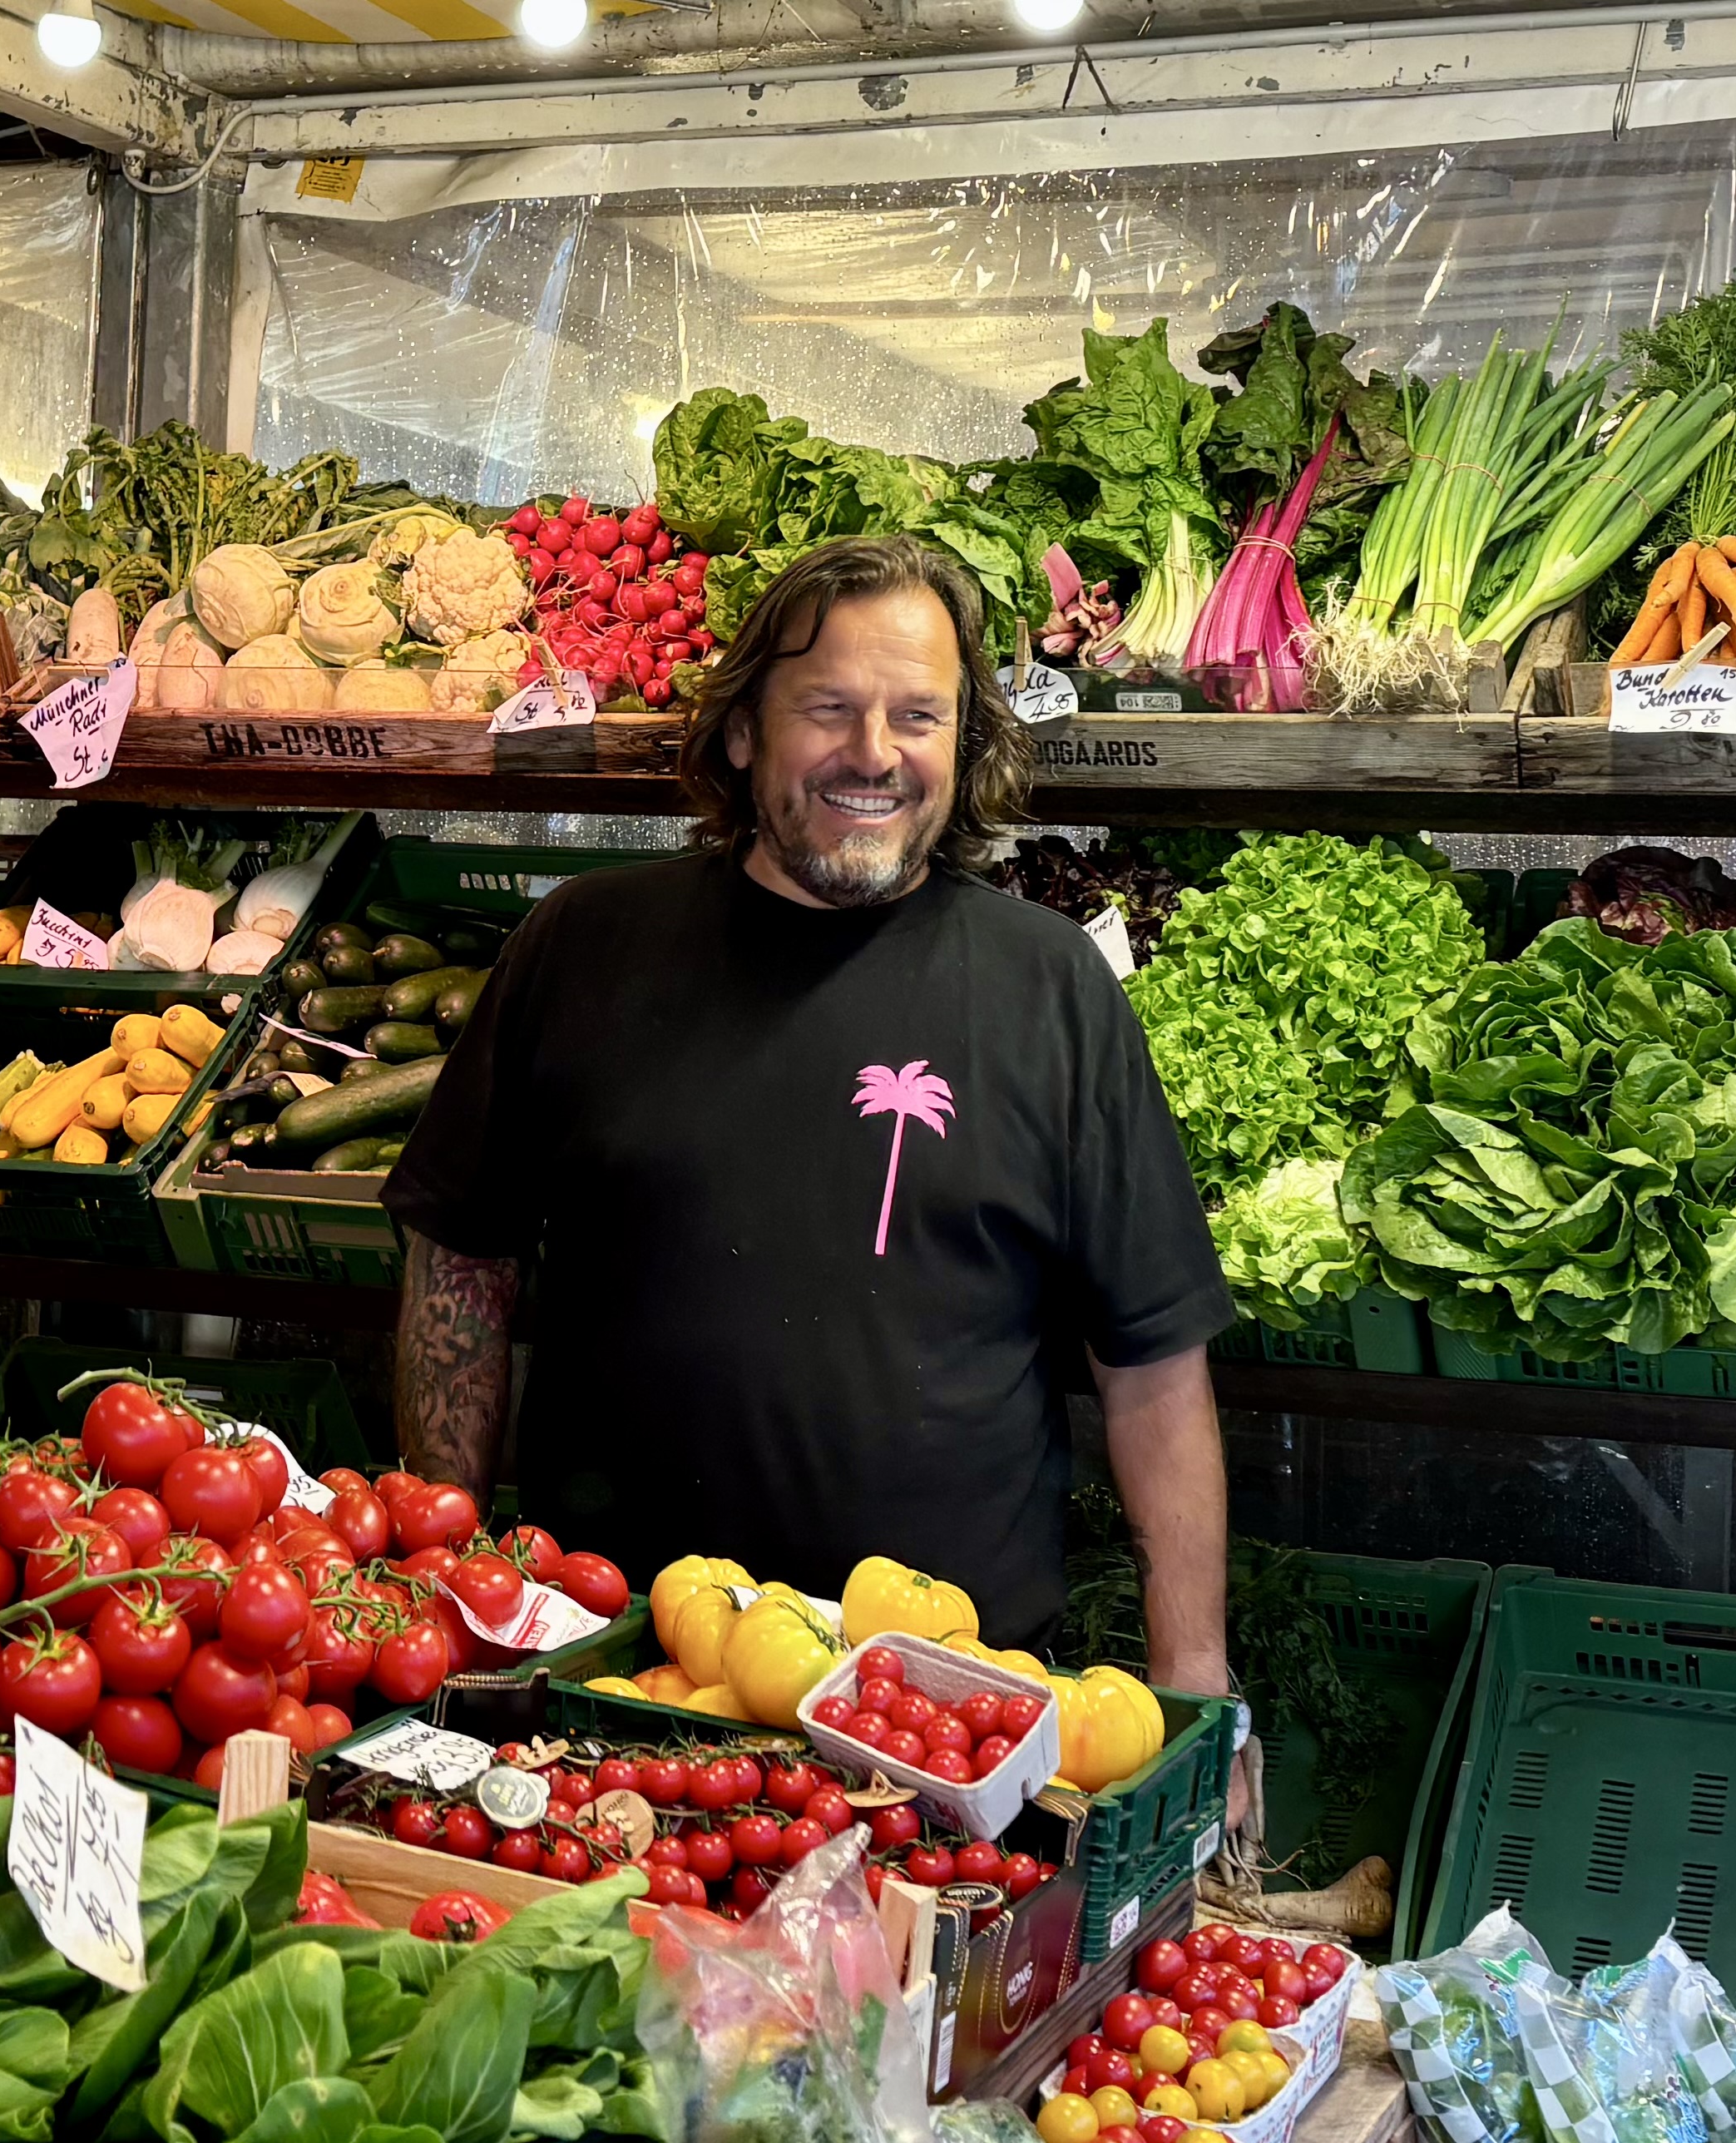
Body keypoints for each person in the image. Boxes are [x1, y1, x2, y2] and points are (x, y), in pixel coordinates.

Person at [382, 532, 1236, 1698]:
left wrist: (1195, 1674)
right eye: (828, 709)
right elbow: (460, 1270)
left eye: (920, 719)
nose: (874, 756)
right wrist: (455, 1573)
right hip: (622, 1663)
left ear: (965, 741)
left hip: (950, 1701)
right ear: (743, 731)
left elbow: (1152, 1362)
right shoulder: (582, 946)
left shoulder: (1050, 986)